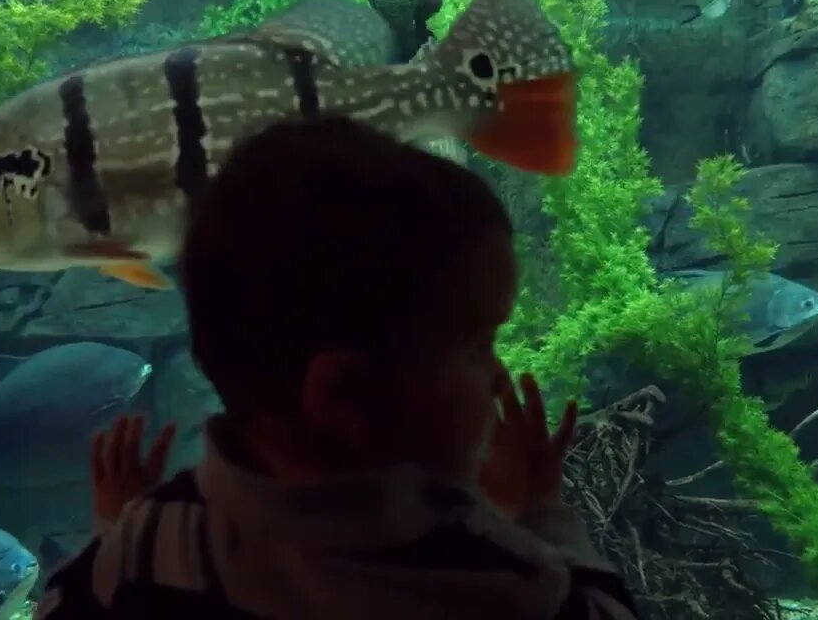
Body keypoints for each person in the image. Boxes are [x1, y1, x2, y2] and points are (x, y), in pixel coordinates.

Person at [33, 116, 640, 619]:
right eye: (478, 345)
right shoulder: (504, 583)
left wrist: (117, 527)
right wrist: (540, 512)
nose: (500, 377)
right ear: (342, 393)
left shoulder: (144, 556)